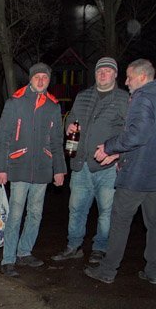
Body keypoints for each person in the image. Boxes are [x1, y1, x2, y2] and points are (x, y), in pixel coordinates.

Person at [83, 59, 156, 285]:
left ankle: (107, 270)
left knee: (119, 222)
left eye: (129, 77)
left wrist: (109, 147)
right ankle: (154, 271)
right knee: (155, 224)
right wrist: (119, 153)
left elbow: (137, 135)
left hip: (136, 174)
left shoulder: (142, 98)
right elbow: (153, 137)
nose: (126, 82)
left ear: (142, 77)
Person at [53, 56, 129, 266]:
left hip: (107, 167)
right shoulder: (83, 95)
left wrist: (118, 154)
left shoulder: (124, 99)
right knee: (76, 208)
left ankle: (100, 248)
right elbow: (71, 118)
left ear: (115, 74)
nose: (102, 74)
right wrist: (68, 126)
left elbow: (130, 132)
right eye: (99, 71)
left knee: (106, 211)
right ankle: (74, 246)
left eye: (107, 71)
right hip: (81, 164)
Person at [0, 62, 65, 277]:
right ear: (30, 79)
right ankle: (8, 259)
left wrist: (59, 169)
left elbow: (57, 140)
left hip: (43, 169)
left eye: (45, 77)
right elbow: (3, 137)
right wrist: (1, 168)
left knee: (35, 214)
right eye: (37, 77)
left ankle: (24, 251)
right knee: (15, 215)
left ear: (49, 80)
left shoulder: (53, 106)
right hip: (19, 166)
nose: (41, 81)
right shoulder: (15, 102)